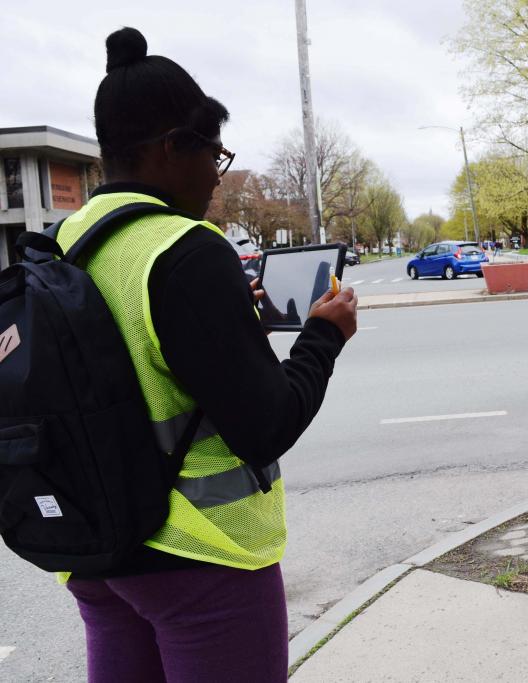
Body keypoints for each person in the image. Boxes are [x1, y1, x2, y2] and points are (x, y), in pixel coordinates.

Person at [57, 27, 357, 682]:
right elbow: (267, 424)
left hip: (94, 551)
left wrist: (223, 312)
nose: (216, 180)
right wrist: (324, 335)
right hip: (200, 561)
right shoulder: (186, 249)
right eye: (212, 158)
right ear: (170, 150)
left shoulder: (63, 243)